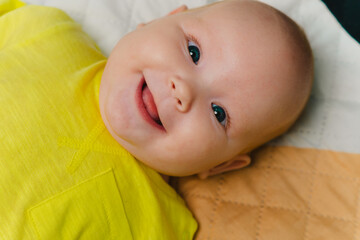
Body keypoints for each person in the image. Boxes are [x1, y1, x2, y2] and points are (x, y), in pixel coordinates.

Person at [0, 0, 313, 239]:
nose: (184, 90)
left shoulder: (160, 226)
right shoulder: (47, 31)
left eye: (219, 114)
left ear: (218, 166)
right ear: (164, 20)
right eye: (193, 52)